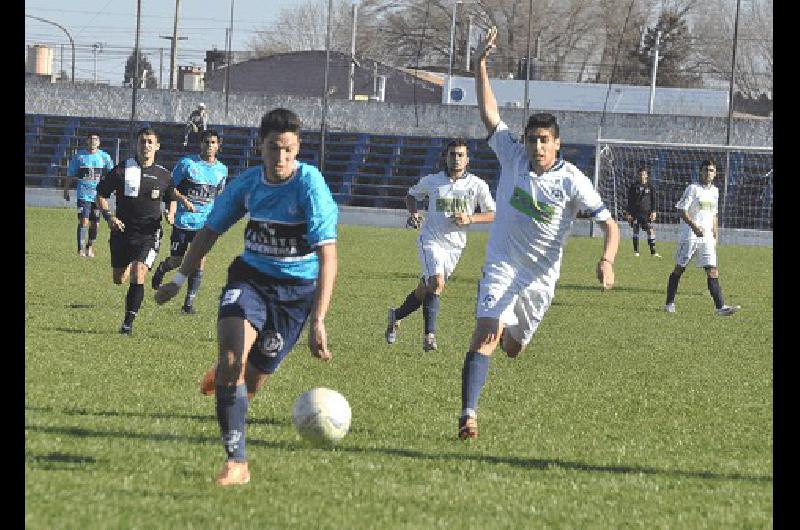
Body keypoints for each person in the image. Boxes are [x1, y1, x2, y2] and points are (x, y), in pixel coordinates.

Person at [154, 108, 338, 486]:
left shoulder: (310, 186)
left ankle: (225, 378)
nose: (281, 158)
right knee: (232, 360)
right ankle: (236, 462)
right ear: (261, 147)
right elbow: (209, 232)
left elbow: (327, 255)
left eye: (288, 150)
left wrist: (318, 319)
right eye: (274, 149)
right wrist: (180, 278)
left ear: (298, 147)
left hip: (295, 295)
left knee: (251, 383)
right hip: (250, 280)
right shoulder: (248, 183)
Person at [458, 26, 619, 440]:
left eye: (543, 141)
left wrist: (606, 259)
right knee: (487, 332)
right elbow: (489, 113)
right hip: (502, 266)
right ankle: (468, 416)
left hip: (540, 279)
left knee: (513, 347)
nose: (536, 146)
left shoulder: (573, 181)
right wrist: (480, 65)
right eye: (532, 139)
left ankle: (513, 340)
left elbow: (609, 224)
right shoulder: (511, 155)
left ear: (557, 144)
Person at [385, 138, 496, 352]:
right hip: (431, 240)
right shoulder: (433, 181)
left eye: (460, 155)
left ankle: (396, 316)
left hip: (455, 247)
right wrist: (414, 213)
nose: (456, 159)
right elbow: (410, 195)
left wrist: (470, 218)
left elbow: (493, 214)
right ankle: (429, 336)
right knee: (437, 283)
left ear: (467, 159)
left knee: (426, 288)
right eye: (452, 154)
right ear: (446, 157)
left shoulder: (477, 185)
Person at [95, 127, 193, 335]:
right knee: (118, 278)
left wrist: (171, 212)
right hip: (122, 233)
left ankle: (127, 324)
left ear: (157, 146)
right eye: (142, 141)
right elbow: (101, 195)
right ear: (136, 145)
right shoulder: (122, 169)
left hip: (149, 234)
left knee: (138, 273)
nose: (146, 145)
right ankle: (130, 267)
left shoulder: (164, 175)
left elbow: (171, 197)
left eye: (150, 142)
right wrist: (110, 217)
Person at [151, 129, 228, 314]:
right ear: (200, 144)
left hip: (205, 223)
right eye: (206, 142)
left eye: (212, 143)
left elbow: (218, 195)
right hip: (183, 221)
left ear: (218, 146)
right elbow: (170, 187)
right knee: (177, 260)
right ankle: (163, 267)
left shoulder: (222, 170)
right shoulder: (187, 164)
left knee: (199, 260)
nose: (209, 146)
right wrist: (178, 204)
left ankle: (188, 304)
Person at [663, 159, 740, 316]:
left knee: (712, 270)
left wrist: (715, 235)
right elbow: (682, 211)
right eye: (705, 170)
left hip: (707, 239)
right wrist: (694, 227)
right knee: (679, 269)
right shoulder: (693, 189)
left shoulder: (715, 191)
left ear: (715, 173)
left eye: (711, 170)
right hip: (690, 236)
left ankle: (720, 307)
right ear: (700, 171)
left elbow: (714, 215)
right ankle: (669, 303)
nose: (708, 173)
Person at [63, 131, 114, 257]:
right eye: (91, 139)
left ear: (99, 142)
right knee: (84, 221)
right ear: (87, 141)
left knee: (95, 223)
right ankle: (80, 249)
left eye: (95, 139)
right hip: (83, 195)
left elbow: (113, 174)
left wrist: (113, 187)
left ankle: (89, 247)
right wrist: (66, 189)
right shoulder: (79, 157)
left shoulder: (104, 157)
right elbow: (70, 174)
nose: (93, 141)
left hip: (98, 196)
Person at [623, 166, 661, 257]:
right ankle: (636, 251)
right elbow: (630, 200)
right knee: (636, 230)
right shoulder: (634, 186)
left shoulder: (650, 187)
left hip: (646, 213)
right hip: (635, 212)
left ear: (647, 175)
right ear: (638, 175)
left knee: (650, 230)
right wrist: (628, 213)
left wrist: (654, 211)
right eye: (640, 175)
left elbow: (654, 200)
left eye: (643, 174)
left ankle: (653, 252)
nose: (642, 176)